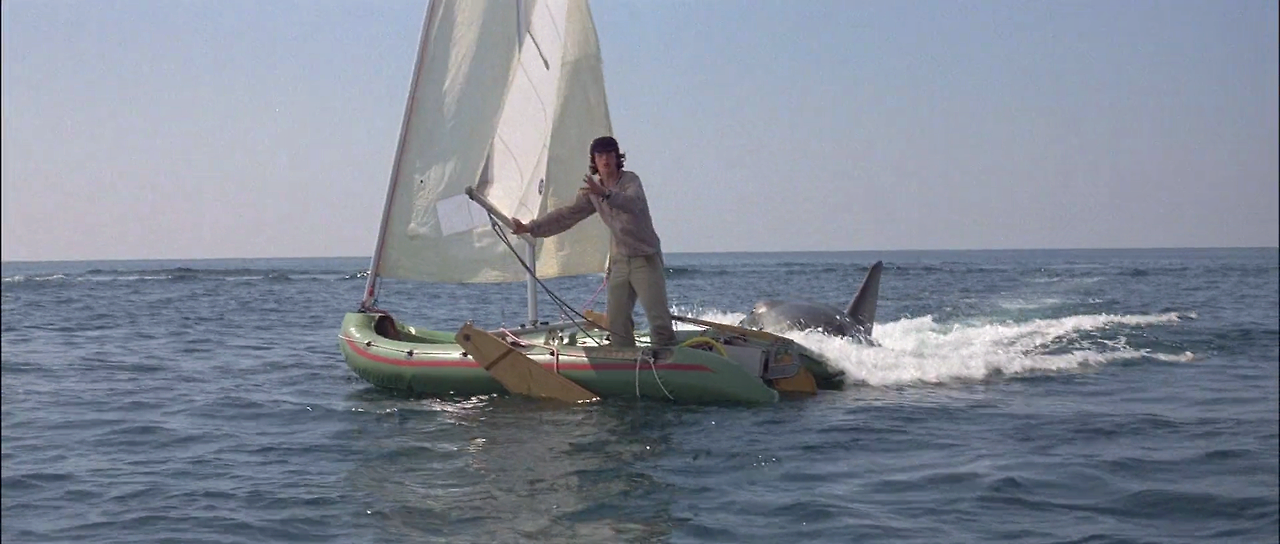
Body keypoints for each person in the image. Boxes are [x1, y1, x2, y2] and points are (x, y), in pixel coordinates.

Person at [511, 136, 677, 347]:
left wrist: (605, 194)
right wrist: (530, 227)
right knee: (617, 323)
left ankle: (669, 356)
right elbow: (567, 215)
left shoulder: (630, 181)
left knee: (658, 320)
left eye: (609, 154)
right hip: (619, 260)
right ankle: (623, 356)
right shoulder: (593, 190)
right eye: (600, 155)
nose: (605, 159)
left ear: (617, 158)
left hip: (645, 257)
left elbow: (633, 203)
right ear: (594, 160)